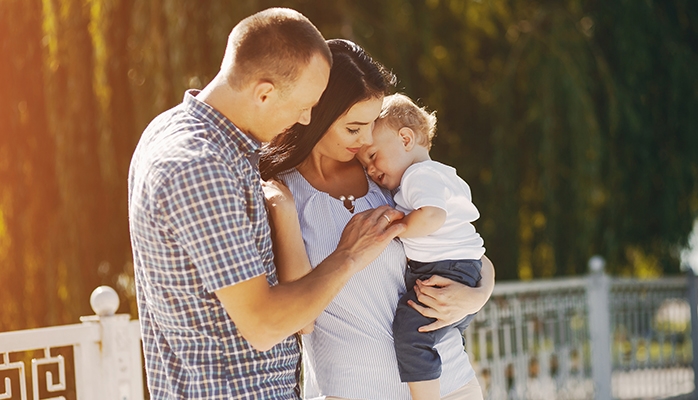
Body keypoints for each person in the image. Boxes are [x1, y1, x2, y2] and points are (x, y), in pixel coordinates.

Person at [127, 8, 406, 399]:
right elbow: (264, 324)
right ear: (264, 92)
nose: (308, 118)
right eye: (303, 105)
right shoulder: (198, 166)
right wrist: (350, 254)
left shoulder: (201, 140)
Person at [260, 39, 494, 400]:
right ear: (315, 115)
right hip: (352, 391)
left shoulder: (387, 173)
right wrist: (287, 214)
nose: (366, 138)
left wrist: (477, 296)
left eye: (371, 125)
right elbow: (300, 320)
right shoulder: (281, 195)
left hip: (450, 386)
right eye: (354, 128)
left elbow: (469, 251)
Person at [356, 93, 486, 400]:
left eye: (373, 156)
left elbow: (432, 216)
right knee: (433, 332)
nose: (371, 170)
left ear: (405, 138)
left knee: (410, 334)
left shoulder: (417, 176)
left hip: (442, 270)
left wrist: (398, 228)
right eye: (364, 166)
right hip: (463, 270)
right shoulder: (445, 174)